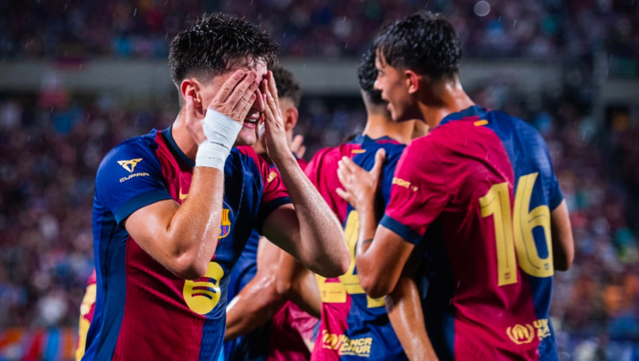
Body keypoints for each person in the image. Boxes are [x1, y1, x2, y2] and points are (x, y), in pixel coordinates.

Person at [81, 13, 349, 361]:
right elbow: (188, 256)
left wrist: (284, 157)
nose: (258, 103)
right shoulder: (130, 162)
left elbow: (333, 260)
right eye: (242, 88)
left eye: (262, 87)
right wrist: (215, 147)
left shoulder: (249, 171)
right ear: (193, 94)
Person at [336, 12, 574, 361]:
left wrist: (365, 204)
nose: (377, 86)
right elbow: (564, 254)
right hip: (541, 350)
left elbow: (374, 280)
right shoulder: (528, 136)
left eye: (382, 74)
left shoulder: (431, 153)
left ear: (411, 81)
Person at [304, 49, 428, 360]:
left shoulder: (321, 163)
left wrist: (329, 316)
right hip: (391, 351)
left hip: (332, 351)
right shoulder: (411, 167)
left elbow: (280, 277)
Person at [224, 66, 319, 361]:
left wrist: (193, 334)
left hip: (275, 348)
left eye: (259, 111)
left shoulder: (299, 185)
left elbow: (273, 286)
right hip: (239, 345)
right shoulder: (237, 173)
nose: (248, 118)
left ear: (288, 118)